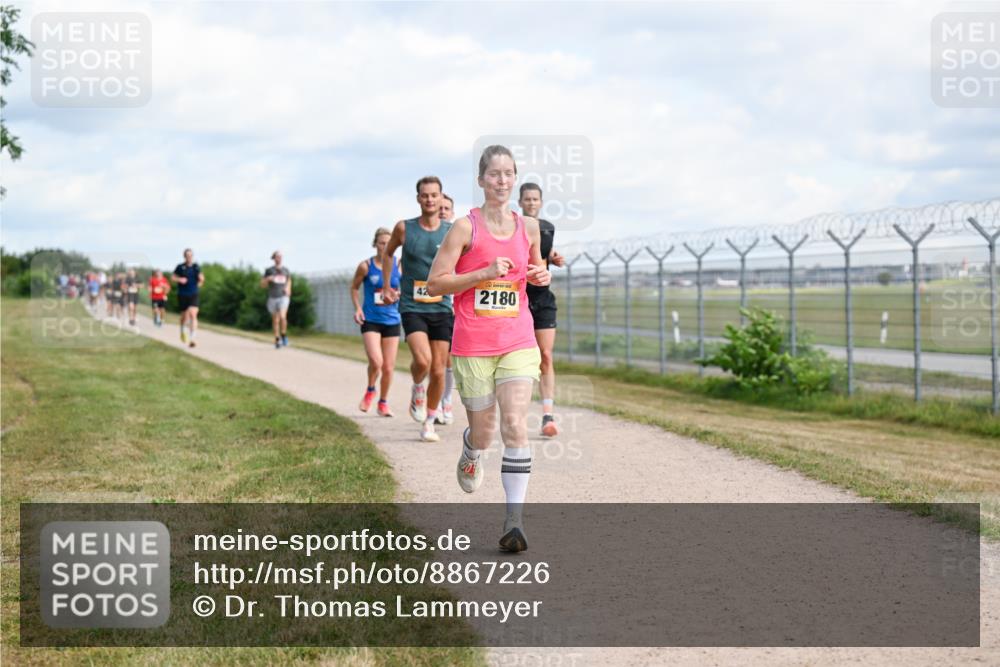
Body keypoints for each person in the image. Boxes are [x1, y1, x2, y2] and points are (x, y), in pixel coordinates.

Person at [427, 145, 551, 553]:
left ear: (515, 178)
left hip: (517, 339)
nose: (502, 180)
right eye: (494, 174)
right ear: (481, 180)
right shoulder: (464, 228)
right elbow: (436, 284)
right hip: (473, 344)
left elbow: (533, 271)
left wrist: (541, 275)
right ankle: (471, 447)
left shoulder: (528, 227)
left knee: (515, 423)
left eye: (508, 173)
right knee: (484, 434)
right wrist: (481, 273)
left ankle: (514, 522)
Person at [381, 176, 453, 443]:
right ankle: (417, 387)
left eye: (434, 195)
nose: (430, 200)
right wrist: (387, 286)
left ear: (441, 197)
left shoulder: (451, 231)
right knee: (423, 361)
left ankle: (430, 422)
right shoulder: (404, 228)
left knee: (439, 370)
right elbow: (388, 254)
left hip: (441, 306)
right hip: (412, 305)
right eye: (425, 195)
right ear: (418, 198)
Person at [519, 183, 566, 437]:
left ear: (541, 202)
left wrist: (554, 259)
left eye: (535, 199)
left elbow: (543, 256)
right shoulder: (513, 226)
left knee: (546, 355)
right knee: (521, 359)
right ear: (520, 202)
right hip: (519, 300)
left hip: (543, 300)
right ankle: (515, 413)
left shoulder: (548, 228)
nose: (531, 203)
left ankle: (548, 416)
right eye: (527, 199)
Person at [351, 227, 401, 417]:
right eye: (381, 243)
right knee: (376, 361)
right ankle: (371, 389)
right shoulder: (366, 266)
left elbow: (407, 286)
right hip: (371, 319)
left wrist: (399, 294)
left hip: (392, 319)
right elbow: (354, 288)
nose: (385, 247)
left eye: (389, 243)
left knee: (388, 367)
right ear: (375, 244)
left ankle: (383, 403)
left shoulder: (400, 265)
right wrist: (358, 308)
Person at [435, 193, 457, 427]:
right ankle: (435, 401)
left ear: (452, 212)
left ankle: (447, 399)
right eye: (439, 208)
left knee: (449, 359)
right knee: (435, 360)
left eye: (446, 208)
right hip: (430, 306)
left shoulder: (459, 235)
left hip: (453, 306)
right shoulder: (427, 236)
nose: (442, 211)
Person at [172, 248, 204, 348]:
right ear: (184, 256)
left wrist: (200, 281)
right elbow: (173, 277)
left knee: (193, 314)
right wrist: (179, 279)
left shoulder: (196, 267)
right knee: (184, 317)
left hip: (193, 293)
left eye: (191, 255)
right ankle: (182, 330)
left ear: (192, 256)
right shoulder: (180, 267)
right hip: (182, 294)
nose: (189, 257)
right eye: (187, 255)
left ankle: (192, 339)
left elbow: (201, 278)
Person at [261, 251, 292, 349]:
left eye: (280, 257)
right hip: (273, 297)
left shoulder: (286, 270)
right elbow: (262, 285)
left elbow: (289, 280)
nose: (279, 258)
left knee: (283, 317)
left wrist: (288, 289)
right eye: (277, 257)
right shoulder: (269, 270)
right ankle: (277, 340)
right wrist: (267, 280)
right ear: (274, 258)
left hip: (283, 297)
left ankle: (284, 336)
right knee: (275, 320)